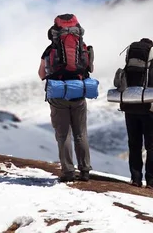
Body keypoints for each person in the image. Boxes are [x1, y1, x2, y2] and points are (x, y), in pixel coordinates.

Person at [38, 14, 94, 183]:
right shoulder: (83, 47)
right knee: (81, 134)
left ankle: (68, 172)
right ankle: (85, 171)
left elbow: (41, 74)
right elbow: (89, 68)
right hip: (78, 94)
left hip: (58, 95)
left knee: (63, 135)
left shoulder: (50, 50)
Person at [114, 38, 153, 189]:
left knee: (134, 145)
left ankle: (136, 179)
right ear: (151, 52)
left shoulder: (128, 67)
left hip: (130, 110)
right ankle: (151, 182)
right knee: (151, 146)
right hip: (150, 110)